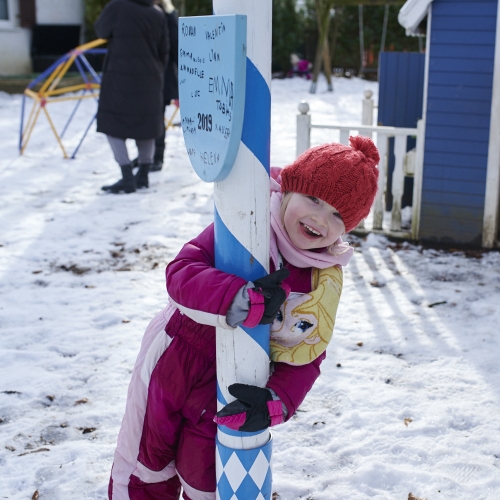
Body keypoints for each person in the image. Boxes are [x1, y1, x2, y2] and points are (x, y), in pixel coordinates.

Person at [108, 136, 380, 499]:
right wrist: (236, 298)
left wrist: (277, 401)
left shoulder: (320, 280)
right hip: (174, 359)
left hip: (233, 387)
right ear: (287, 188)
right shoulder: (245, 221)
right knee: (146, 465)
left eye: (337, 214)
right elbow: (182, 271)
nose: (319, 218)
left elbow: (308, 352)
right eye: (313, 199)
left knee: (206, 482)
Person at [95, 0, 168, 194]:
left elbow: (101, 30)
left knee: (112, 125)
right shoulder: (157, 13)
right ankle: (143, 175)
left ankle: (127, 175)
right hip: (151, 78)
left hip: (120, 78)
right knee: (147, 126)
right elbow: (164, 50)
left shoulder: (117, 7)